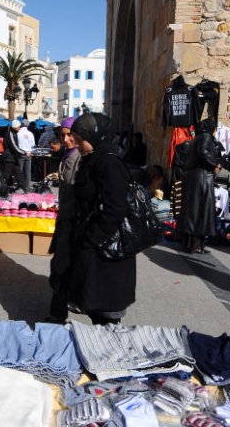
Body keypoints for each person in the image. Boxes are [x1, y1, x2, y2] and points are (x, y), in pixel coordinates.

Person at [69, 112, 134, 325]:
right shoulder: (93, 158)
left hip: (107, 250)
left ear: (96, 136)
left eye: (80, 140)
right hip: (95, 245)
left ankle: (109, 351)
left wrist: (91, 238)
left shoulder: (109, 163)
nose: (76, 144)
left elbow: (115, 208)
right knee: (94, 304)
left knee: (105, 312)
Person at [46, 116, 82, 323]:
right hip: (66, 218)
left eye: (71, 135)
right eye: (64, 134)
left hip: (71, 221)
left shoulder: (77, 156)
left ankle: (57, 315)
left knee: (61, 268)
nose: (66, 139)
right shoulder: (68, 155)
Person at [177, 120, 221, 253]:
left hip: (193, 178)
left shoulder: (196, 138)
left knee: (192, 210)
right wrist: (215, 164)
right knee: (200, 211)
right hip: (201, 178)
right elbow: (203, 152)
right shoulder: (206, 137)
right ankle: (195, 245)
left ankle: (190, 243)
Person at [0, 119, 25, 190]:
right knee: (5, 176)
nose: (20, 128)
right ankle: (0, 191)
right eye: (19, 126)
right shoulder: (10, 134)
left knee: (19, 176)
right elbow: (14, 146)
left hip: (13, 158)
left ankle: (26, 191)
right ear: (15, 127)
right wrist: (24, 152)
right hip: (8, 159)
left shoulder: (14, 133)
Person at [17, 120, 36, 192]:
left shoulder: (18, 133)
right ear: (27, 125)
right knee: (28, 171)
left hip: (20, 153)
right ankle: (27, 186)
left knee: (20, 171)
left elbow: (17, 144)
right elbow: (32, 145)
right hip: (29, 154)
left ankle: (20, 186)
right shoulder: (30, 134)